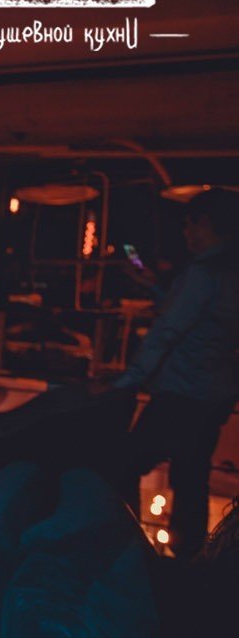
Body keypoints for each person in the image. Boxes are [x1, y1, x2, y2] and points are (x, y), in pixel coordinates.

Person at [117, 189, 239, 559]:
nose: (185, 233)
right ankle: (190, 562)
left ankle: (130, 547)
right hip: (214, 394)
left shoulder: (202, 272)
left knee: (124, 463)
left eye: (189, 225)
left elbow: (168, 330)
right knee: (191, 479)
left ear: (206, 223)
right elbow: (205, 316)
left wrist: (126, 382)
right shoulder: (229, 270)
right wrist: (154, 286)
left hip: (182, 393)